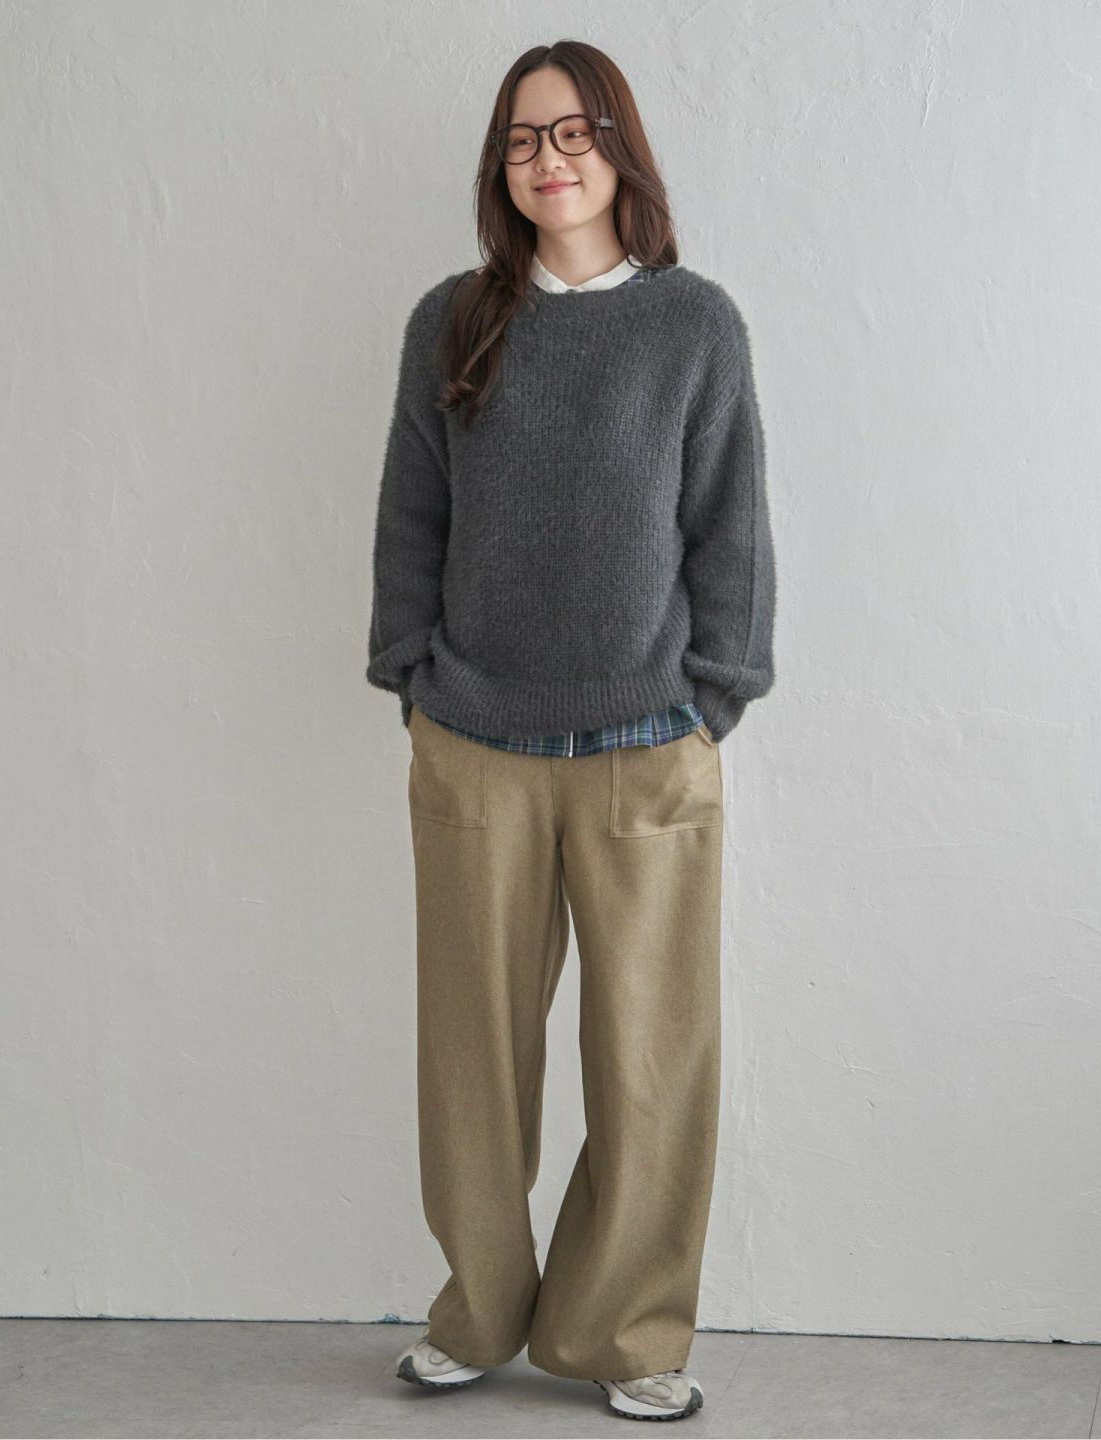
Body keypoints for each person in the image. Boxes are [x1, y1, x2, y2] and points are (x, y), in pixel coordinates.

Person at [367, 38, 776, 1423]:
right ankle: (480, 1311)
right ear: (502, 167)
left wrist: (715, 696)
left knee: (651, 1062)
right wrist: (412, 676)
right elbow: (412, 512)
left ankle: (624, 1334)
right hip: (474, 740)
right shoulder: (452, 321)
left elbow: (731, 525)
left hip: (649, 743)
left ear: (619, 147)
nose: (549, 160)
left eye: (574, 131)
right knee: (472, 1062)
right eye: (523, 139)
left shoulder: (694, 325)